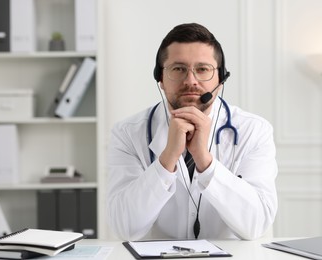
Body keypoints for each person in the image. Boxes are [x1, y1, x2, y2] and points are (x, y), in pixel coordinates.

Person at [107, 23, 278, 241]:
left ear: (221, 79)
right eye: (178, 69)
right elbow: (125, 227)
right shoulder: (127, 133)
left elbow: (256, 224)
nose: (190, 81)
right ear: (160, 78)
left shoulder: (254, 130)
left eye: (203, 69)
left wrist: (205, 161)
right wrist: (167, 159)